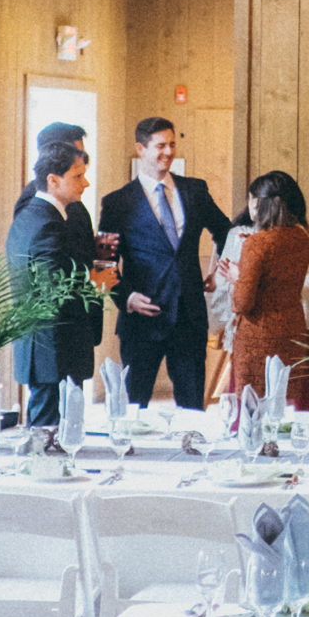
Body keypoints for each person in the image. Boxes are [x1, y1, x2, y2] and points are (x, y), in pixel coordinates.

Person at [98, 115, 233, 410]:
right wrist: (126, 298)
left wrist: (219, 274)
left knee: (192, 409)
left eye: (172, 144)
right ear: (140, 149)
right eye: (160, 146)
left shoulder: (195, 191)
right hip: (142, 321)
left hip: (189, 318)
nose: (169, 152)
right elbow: (100, 266)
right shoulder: (117, 202)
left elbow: (227, 232)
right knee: (133, 408)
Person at [4, 140, 106, 431]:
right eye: (77, 176)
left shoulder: (33, 216)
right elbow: (54, 292)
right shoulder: (47, 223)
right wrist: (97, 283)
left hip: (49, 346)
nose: (85, 183)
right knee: (47, 438)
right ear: (52, 180)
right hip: (53, 347)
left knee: (55, 434)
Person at [226, 169, 309, 410]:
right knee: (287, 405)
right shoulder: (302, 239)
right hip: (293, 328)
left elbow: (243, 303)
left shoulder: (256, 243)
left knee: (254, 408)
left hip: (259, 334)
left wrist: (238, 278)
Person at [11, 119, 98, 268]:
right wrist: (94, 281)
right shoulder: (33, 200)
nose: (82, 158)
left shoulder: (70, 196)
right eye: (77, 152)